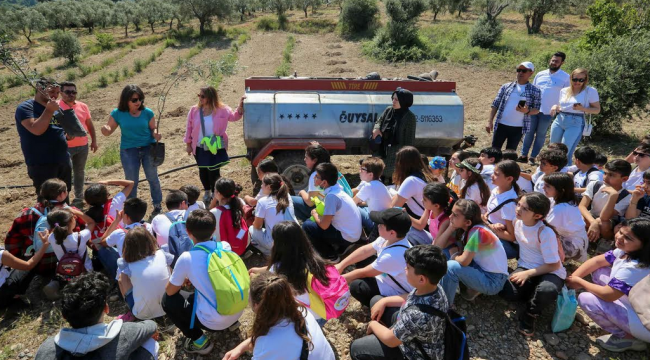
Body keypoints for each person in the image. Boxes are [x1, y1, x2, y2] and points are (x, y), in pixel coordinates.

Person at [163, 209, 242, 355]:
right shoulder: (225, 246)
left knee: (168, 301)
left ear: (188, 232)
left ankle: (200, 341)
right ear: (213, 230)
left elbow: (170, 291)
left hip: (213, 322)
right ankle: (231, 323)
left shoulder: (187, 258)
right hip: (237, 309)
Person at [349, 245, 448, 360]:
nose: (405, 269)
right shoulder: (435, 287)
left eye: (408, 268)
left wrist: (373, 325)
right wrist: (385, 301)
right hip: (413, 330)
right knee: (377, 301)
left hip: (413, 352)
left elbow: (390, 340)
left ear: (421, 279)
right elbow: (410, 298)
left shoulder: (417, 316)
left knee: (356, 349)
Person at [567, 218, 650, 352]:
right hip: (636, 304)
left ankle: (628, 338)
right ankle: (617, 320)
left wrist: (580, 282)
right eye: (621, 232)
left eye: (628, 237)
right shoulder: (626, 251)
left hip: (645, 322)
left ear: (644, 245)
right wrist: (573, 278)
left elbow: (608, 295)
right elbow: (597, 262)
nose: (620, 237)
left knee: (586, 299)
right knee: (600, 272)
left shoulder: (636, 267)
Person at [35, 272, 159, 360]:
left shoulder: (47, 348)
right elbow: (151, 325)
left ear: (64, 316)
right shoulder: (124, 334)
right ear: (106, 308)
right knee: (150, 343)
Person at [223, 272, 336, 360]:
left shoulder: (266, 345)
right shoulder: (300, 311)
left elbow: (272, 344)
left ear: (257, 306)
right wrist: (241, 347)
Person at [499, 192, 566, 337]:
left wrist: (527, 273)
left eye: (524, 209)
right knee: (507, 292)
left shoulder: (545, 232)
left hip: (549, 271)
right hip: (526, 266)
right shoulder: (517, 222)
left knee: (547, 289)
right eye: (518, 205)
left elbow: (554, 265)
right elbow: (512, 237)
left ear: (537, 216)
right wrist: (497, 226)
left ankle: (531, 313)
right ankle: (535, 292)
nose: (518, 209)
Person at [248, 221, 337, 323]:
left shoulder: (278, 269)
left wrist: (254, 278)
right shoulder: (313, 258)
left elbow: (269, 283)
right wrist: (260, 269)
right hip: (325, 309)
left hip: (308, 317)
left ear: (279, 245)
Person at [5, 178, 78, 300]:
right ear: (62, 195)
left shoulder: (26, 215)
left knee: (19, 276)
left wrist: (22, 260)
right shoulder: (69, 215)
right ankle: (56, 282)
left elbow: (11, 242)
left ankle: (15, 294)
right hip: (63, 263)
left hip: (34, 263)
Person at [101, 84, 163, 215]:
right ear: (126, 100)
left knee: (152, 177)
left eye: (140, 99)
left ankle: (157, 205)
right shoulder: (118, 113)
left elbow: (153, 128)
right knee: (131, 181)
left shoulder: (147, 112)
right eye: (134, 100)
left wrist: (156, 134)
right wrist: (105, 129)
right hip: (129, 151)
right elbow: (108, 130)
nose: (138, 102)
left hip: (148, 148)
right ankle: (133, 209)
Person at [335, 208, 414, 308]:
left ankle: (382, 307)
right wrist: (341, 265)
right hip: (388, 278)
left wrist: (337, 279)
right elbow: (365, 251)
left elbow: (364, 272)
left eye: (381, 225)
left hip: (400, 292)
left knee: (357, 287)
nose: (378, 226)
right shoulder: (391, 238)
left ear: (392, 232)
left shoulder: (393, 255)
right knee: (363, 263)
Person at [438, 199, 509, 304]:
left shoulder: (477, 232)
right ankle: (456, 287)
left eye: (455, 215)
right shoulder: (470, 229)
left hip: (493, 280)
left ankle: (444, 305)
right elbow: (438, 247)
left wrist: (454, 255)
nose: (450, 217)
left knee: (451, 267)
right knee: (443, 252)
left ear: (468, 222)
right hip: (483, 269)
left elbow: (464, 261)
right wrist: (451, 228)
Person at [184, 86, 245, 203]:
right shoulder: (194, 110)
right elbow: (189, 127)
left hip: (215, 145)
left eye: (203, 96)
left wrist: (240, 106)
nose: (200, 98)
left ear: (210, 97)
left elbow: (234, 117)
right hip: (199, 145)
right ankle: (207, 191)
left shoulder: (222, 109)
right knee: (203, 170)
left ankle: (214, 192)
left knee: (214, 171)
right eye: (199, 95)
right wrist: (188, 144)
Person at [15, 78, 71, 197]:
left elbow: (57, 130)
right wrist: (49, 110)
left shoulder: (55, 108)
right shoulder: (26, 108)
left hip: (62, 160)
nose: (55, 96)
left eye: (57, 93)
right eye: (52, 92)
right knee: (47, 199)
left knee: (64, 198)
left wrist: (68, 136)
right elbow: (36, 129)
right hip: (42, 163)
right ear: (39, 89)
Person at [302, 163, 362, 261]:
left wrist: (315, 214)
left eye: (316, 177)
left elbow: (324, 225)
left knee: (307, 226)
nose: (314, 179)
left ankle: (330, 256)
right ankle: (342, 247)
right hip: (353, 233)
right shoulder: (337, 189)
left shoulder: (332, 197)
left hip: (348, 236)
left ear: (324, 182)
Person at [519, 52, 570, 165]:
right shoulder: (540, 74)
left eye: (557, 61)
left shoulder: (566, 78)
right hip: (533, 109)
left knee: (541, 135)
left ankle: (533, 157)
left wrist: (559, 108)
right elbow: (532, 91)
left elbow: (566, 95)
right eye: (552, 60)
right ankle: (523, 155)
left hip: (548, 112)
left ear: (562, 63)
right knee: (529, 132)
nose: (553, 62)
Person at [117, 227, 173, 321]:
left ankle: (132, 311)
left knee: (121, 278)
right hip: (170, 307)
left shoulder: (128, 264)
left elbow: (121, 280)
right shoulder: (162, 254)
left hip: (142, 314)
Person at [550, 68, 601, 165]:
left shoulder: (590, 91)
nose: (577, 82)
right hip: (560, 119)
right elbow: (563, 106)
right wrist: (555, 106)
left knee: (565, 151)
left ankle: (564, 175)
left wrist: (583, 109)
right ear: (571, 78)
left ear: (585, 80)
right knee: (552, 148)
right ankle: (551, 173)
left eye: (581, 80)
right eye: (575, 79)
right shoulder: (564, 90)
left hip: (576, 121)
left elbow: (597, 110)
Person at [59, 81, 98, 207]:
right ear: (61, 93)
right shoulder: (56, 107)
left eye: (73, 92)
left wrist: (94, 141)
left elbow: (89, 124)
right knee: (65, 174)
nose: (71, 94)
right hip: (65, 147)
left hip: (82, 146)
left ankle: (78, 199)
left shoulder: (83, 106)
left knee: (79, 172)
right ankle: (64, 200)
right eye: (68, 92)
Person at [487, 62, 542, 150]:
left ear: (531, 73)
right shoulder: (506, 86)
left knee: (510, 154)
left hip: (518, 127)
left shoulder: (535, 90)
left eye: (524, 71)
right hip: (501, 124)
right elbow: (495, 104)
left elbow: (537, 109)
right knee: (494, 151)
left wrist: (527, 111)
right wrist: (490, 121)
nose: (520, 73)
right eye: (519, 70)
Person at [579, 160, 632, 242]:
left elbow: (605, 217)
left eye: (611, 175)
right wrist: (593, 222)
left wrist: (613, 196)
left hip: (608, 221)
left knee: (603, 224)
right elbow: (582, 206)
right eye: (605, 173)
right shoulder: (595, 185)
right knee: (579, 217)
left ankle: (605, 241)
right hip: (592, 216)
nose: (605, 177)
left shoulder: (626, 196)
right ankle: (586, 238)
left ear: (624, 179)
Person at [372, 88, 417, 183]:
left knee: (392, 178)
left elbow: (410, 141)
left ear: (404, 101)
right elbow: (380, 120)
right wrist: (377, 128)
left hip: (396, 155)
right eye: (393, 98)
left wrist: (405, 159)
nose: (393, 101)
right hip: (382, 149)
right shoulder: (389, 110)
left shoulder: (410, 118)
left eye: (396, 99)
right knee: (378, 173)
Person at [543, 173, 589, 262]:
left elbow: (546, 228)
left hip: (572, 245)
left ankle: (555, 263)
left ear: (561, 190)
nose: (543, 188)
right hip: (572, 239)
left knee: (540, 239)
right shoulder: (558, 200)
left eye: (548, 186)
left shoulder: (561, 208)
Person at [0, 229, 51, 308]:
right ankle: (13, 297)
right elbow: (28, 265)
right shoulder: (1, 255)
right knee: (32, 262)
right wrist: (45, 245)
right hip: (2, 296)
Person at [250, 174, 297, 256]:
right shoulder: (287, 196)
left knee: (251, 230)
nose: (261, 186)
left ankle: (269, 253)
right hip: (295, 238)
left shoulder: (262, 202)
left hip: (277, 243)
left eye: (263, 184)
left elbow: (257, 226)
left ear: (269, 187)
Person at [485, 160, 521, 259]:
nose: (492, 176)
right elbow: (490, 212)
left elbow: (511, 236)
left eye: (496, 174)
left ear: (509, 179)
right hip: (492, 228)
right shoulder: (496, 189)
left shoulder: (509, 204)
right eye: (493, 172)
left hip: (505, 243)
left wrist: (488, 226)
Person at [47, 207, 97, 275]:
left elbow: (55, 229)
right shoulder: (82, 236)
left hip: (66, 273)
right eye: (73, 217)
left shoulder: (51, 238)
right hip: (86, 272)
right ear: (71, 222)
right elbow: (91, 222)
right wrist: (75, 211)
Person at [390, 146, 435, 219]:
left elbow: (394, 208)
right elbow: (398, 197)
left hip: (420, 220)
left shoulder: (411, 181)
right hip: (427, 218)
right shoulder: (424, 176)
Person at [291, 143, 332, 221]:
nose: (304, 160)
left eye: (306, 158)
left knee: (289, 200)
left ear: (315, 160)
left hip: (322, 209)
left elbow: (310, 202)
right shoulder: (330, 168)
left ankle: (309, 221)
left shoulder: (316, 175)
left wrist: (302, 192)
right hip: (329, 207)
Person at [409, 182, 454, 246]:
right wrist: (405, 215)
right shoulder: (430, 209)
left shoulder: (445, 220)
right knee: (409, 229)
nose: (422, 200)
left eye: (425, 199)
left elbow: (438, 244)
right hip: (434, 240)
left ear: (436, 206)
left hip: (441, 247)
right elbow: (420, 225)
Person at [353, 157, 392, 231]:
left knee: (353, 208)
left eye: (362, 169)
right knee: (360, 206)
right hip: (385, 220)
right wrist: (360, 203)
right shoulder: (379, 184)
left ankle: (358, 234)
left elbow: (352, 202)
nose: (359, 171)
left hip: (376, 224)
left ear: (370, 175)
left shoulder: (369, 186)